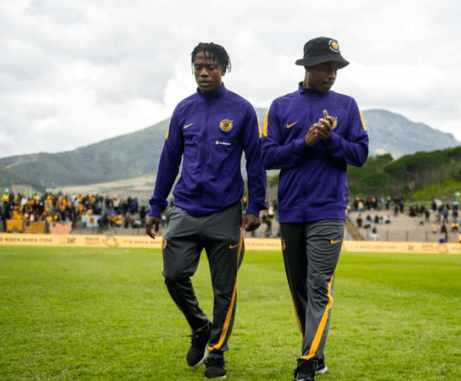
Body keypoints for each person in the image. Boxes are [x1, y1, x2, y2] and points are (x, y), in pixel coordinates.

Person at [145, 42, 266, 379]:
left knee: (223, 290)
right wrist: (156, 206)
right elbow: (169, 159)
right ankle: (200, 326)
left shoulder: (241, 109)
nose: (203, 72)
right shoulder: (184, 110)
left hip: (225, 211)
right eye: (198, 66)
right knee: (173, 275)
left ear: (223, 69)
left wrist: (255, 205)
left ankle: (216, 354)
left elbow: (255, 161)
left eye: (210, 66)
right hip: (183, 208)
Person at [261, 37, 369, 381]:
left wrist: (331, 140)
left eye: (335, 68)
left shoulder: (348, 106)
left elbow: (361, 155)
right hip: (291, 211)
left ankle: (306, 361)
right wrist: (304, 142)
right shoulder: (280, 106)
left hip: (329, 211)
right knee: (299, 290)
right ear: (307, 67)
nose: (332, 74)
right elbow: (265, 157)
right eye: (325, 67)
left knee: (319, 285)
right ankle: (317, 353)